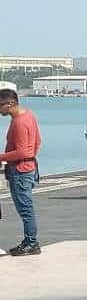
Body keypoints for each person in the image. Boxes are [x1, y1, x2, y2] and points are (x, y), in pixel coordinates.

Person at [0, 89, 42, 255]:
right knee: (26, 207)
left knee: (25, 209)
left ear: (10, 104)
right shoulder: (28, 115)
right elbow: (37, 141)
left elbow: (24, 151)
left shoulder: (19, 122)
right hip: (27, 167)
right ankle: (29, 241)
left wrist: (1, 157)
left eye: (0, 105)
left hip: (20, 170)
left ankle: (31, 243)